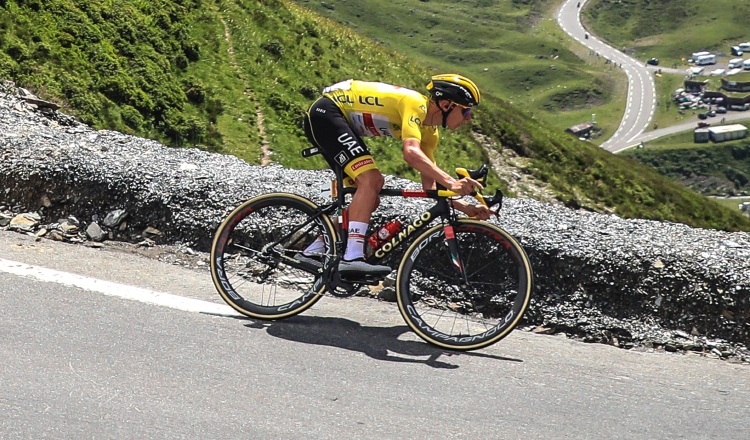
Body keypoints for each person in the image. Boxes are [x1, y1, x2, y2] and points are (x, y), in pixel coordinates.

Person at [301, 74, 493, 276]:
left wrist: (466, 207)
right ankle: (352, 257)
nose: (469, 117)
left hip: (340, 122)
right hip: (327, 112)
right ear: (446, 104)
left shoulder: (430, 133)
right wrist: (452, 182)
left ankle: (314, 249)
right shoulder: (416, 104)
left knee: (368, 199)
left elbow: (431, 189)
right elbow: (410, 153)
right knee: (372, 180)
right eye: (466, 110)